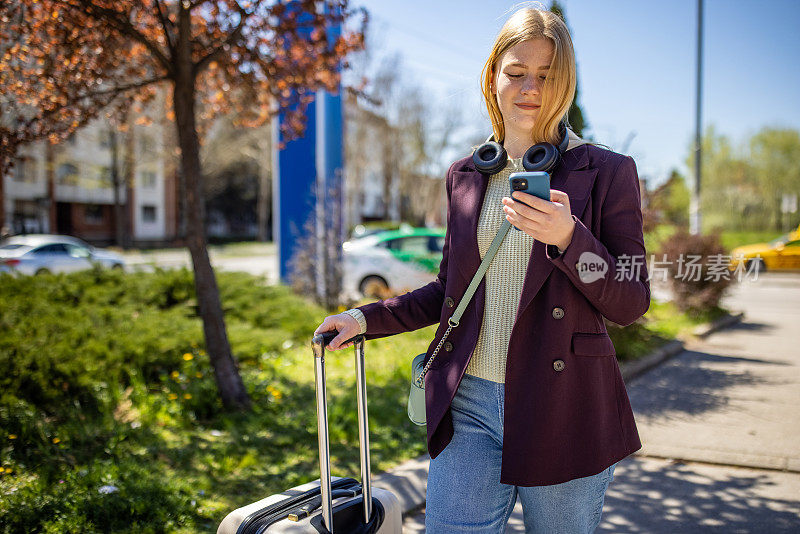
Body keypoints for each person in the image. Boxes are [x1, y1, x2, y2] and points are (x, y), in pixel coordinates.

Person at [315, 6, 649, 533]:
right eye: (516, 73)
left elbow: (631, 299)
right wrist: (365, 318)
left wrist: (569, 238)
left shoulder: (606, 172)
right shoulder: (466, 175)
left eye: (547, 76)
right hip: (469, 400)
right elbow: (450, 290)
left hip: (564, 406)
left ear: (565, 85)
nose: (529, 89)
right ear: (493, 75)